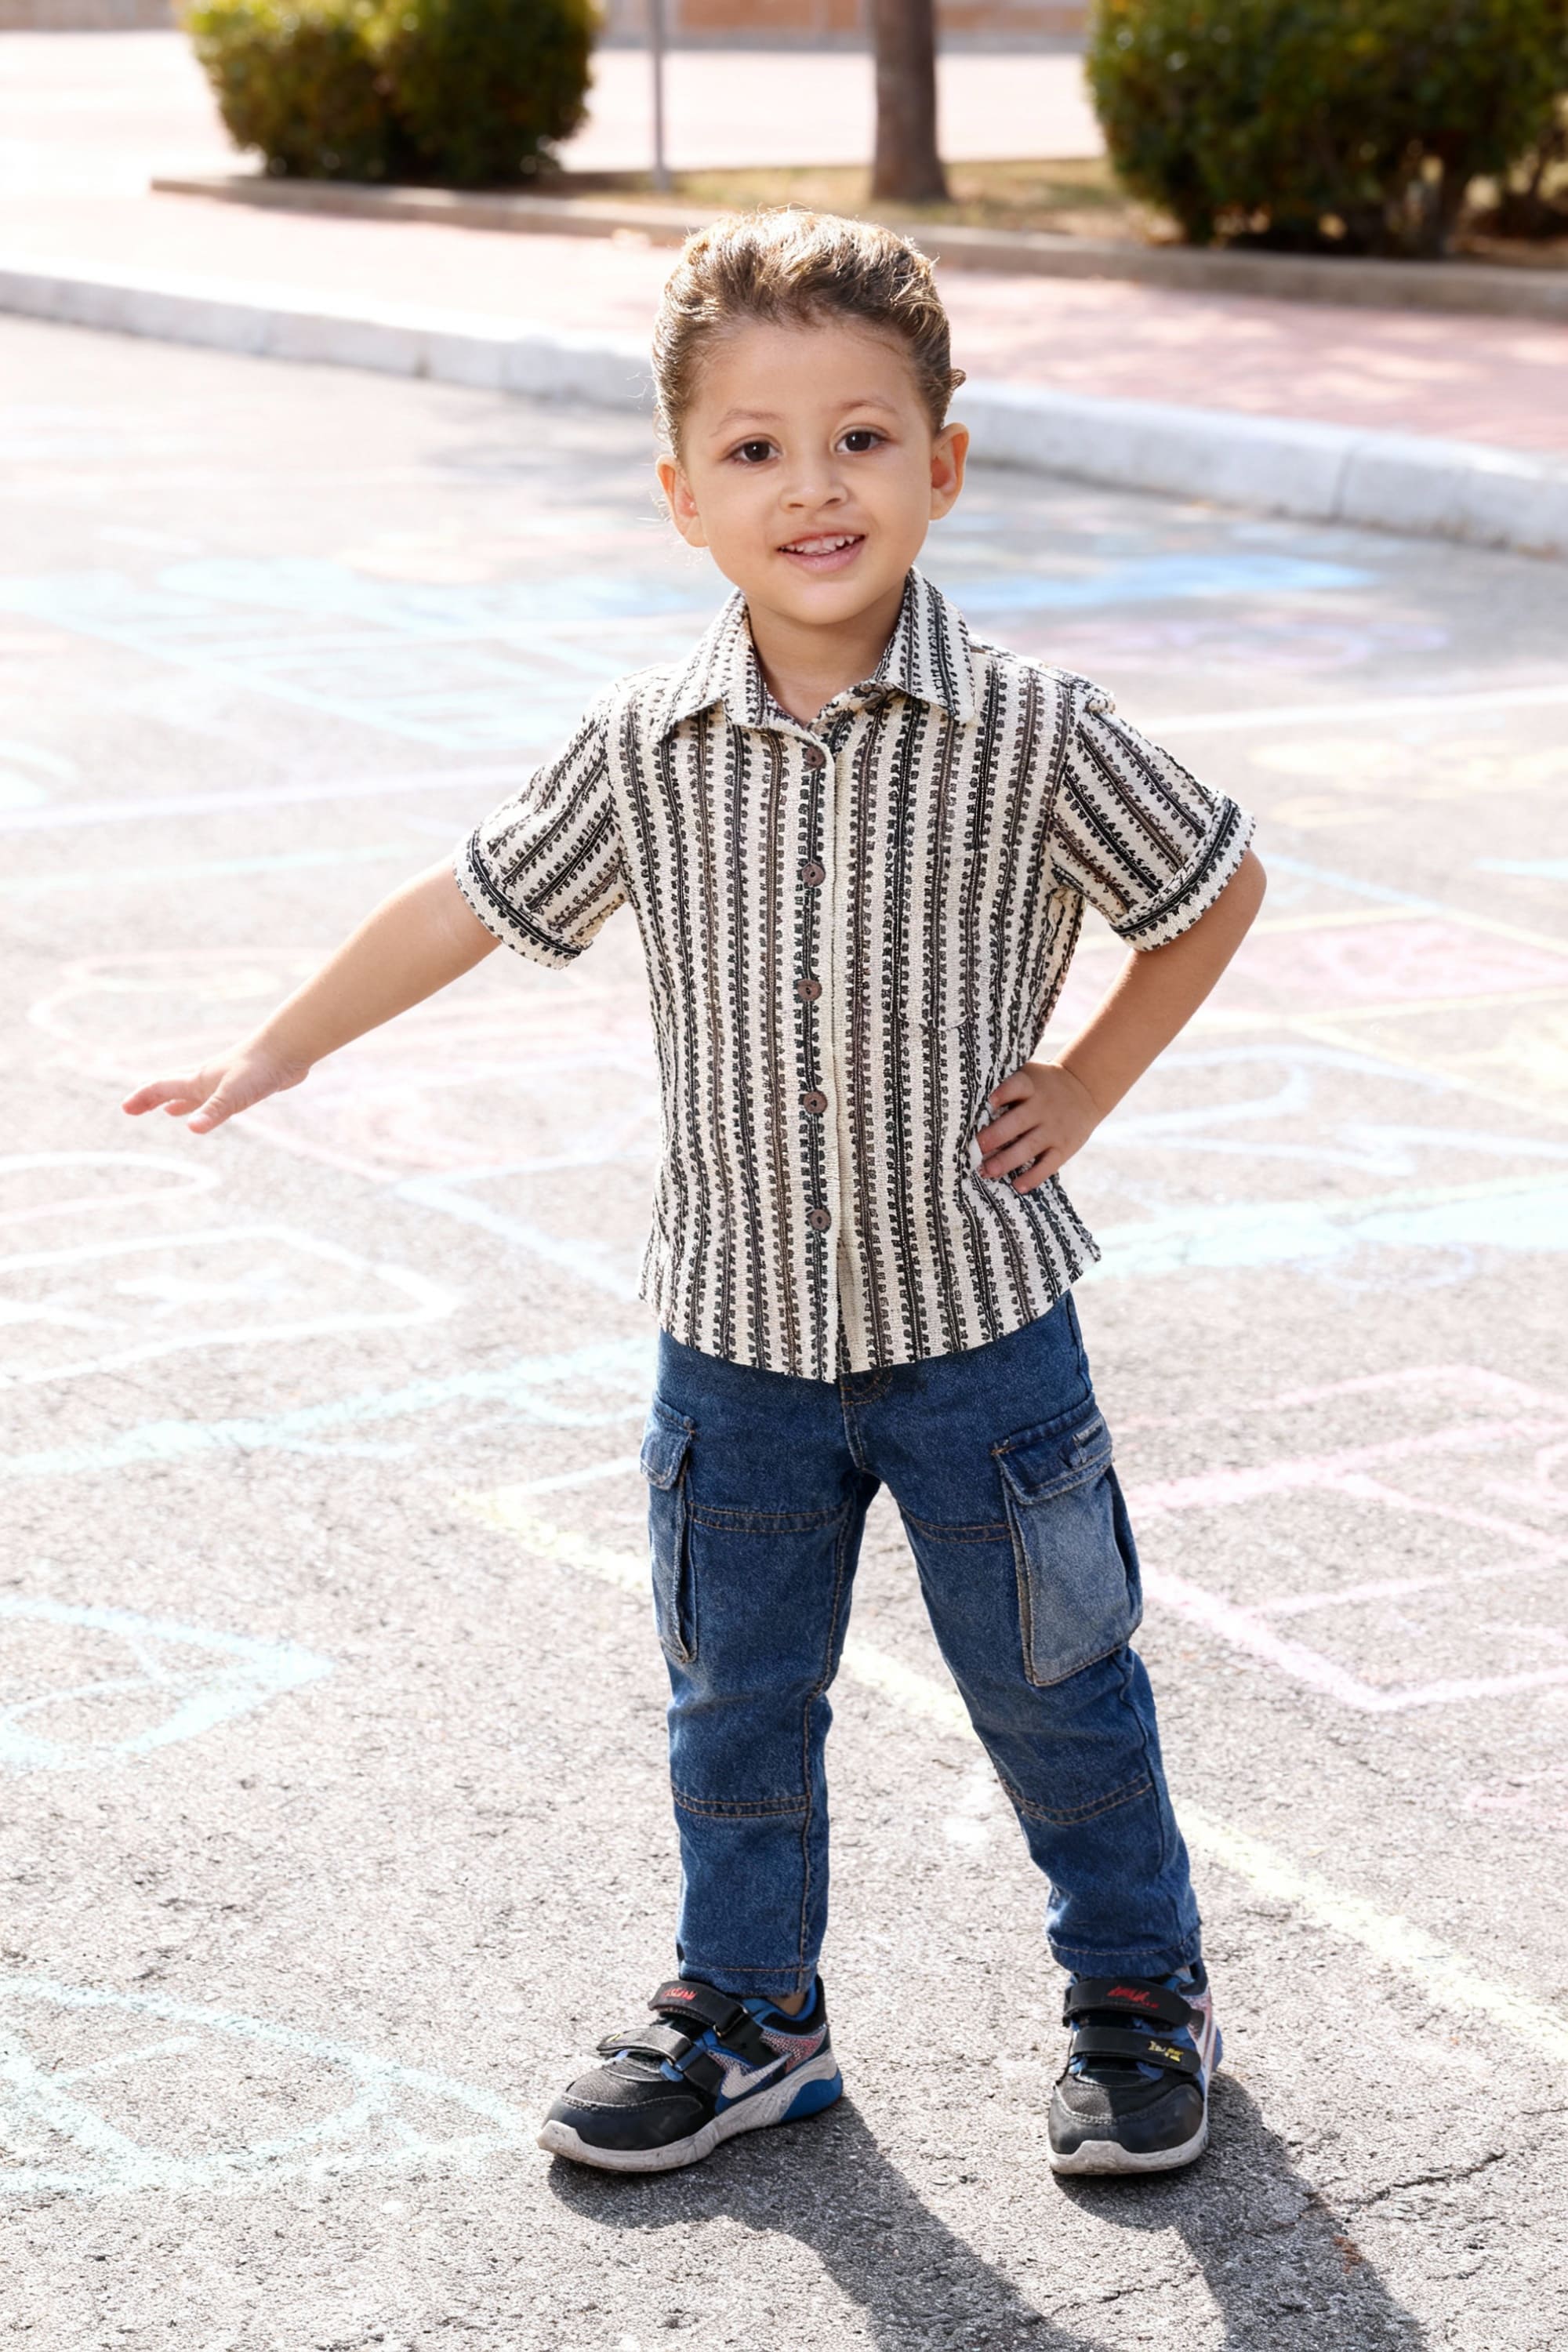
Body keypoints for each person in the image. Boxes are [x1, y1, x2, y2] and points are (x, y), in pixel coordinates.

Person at [124, 210, 1265, 2180]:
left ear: (943, 464)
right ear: (679, 494)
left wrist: (1085, 1078)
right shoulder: (646, 747)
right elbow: (463, 904)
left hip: (979, 1333)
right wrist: (282, 1047)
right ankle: (751, 2012)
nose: (809, 487)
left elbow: (1210, 885)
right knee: (734, 1705)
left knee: (1057, 1683)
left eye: (860, 439)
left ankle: (1136, 1987)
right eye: (752, 449)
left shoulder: (1032, 731)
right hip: (732, 1343)